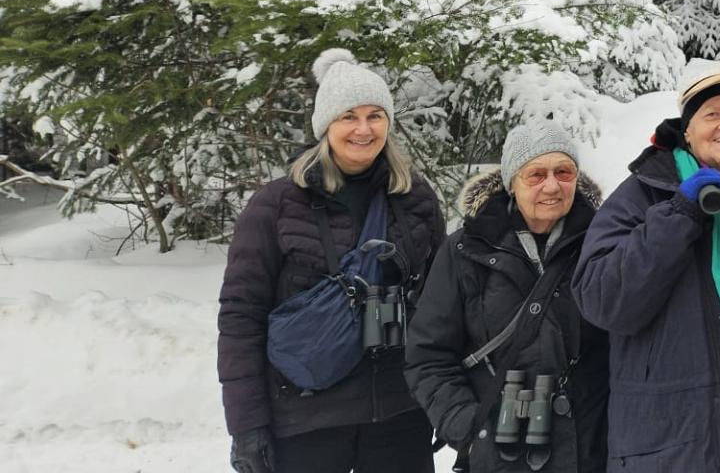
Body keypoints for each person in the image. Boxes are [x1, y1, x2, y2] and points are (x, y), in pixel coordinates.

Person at [572, 66, 720, 473]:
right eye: (712, 114)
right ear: (687, 130)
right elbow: (603, 300)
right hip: (679, 435)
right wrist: (679, 215)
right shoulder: (643, 193)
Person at [218, 49, 445, 473]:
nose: (363, 129)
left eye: (375, 115)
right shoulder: (275, 205)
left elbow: (443, 306)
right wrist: (247, 425)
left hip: (400, 412)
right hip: (307, 416)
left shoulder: (415, 199)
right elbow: (241, 317)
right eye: (348, 117)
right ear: (325, 125)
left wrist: (445, 397)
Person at [405, 121, 610, 473]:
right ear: (512, 182)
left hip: (589, 452)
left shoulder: (602, 243)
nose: (551, 185)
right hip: (501, 453)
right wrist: (470, 429)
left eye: (563, 172)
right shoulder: (465, 250)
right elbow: (428, 356)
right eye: (536, 174)